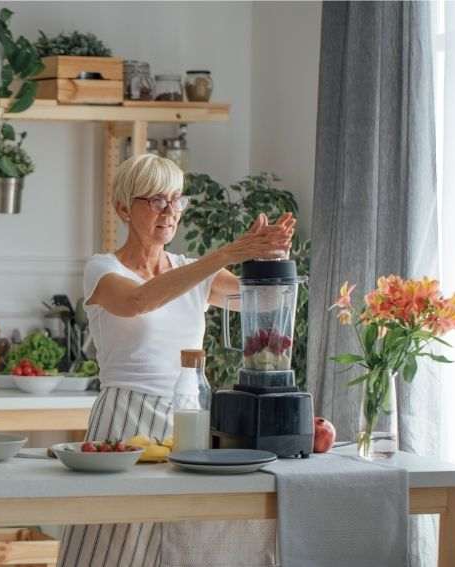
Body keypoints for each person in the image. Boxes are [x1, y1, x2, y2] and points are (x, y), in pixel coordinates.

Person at [57, 154, 294, 567]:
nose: (170, 212)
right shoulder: (102, 268)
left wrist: (271, 258)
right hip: (124, 418)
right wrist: (225, 253)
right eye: (156, 201)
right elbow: (138, 301)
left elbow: (266, 302)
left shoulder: (191, 269)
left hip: (189, 416)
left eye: (176, 201)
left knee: (187, 540)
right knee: (114, 545)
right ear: (123, 208)